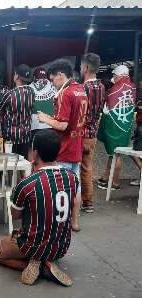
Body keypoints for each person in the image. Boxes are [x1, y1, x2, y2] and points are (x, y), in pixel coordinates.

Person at [0, 129, 76, 287]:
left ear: (35, 153)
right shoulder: (72, 177)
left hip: (33, 245)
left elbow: (15, 215)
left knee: (1, 252)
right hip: (61, 246)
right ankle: (47, 261)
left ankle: (39, 267)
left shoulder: (27, 183)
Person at [38, 60, 87, 232]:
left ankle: (58, 224)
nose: (52, 83)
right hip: (77, 144)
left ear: (60, 74)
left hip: (65, 147)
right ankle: (74, 222)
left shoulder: (65, 93)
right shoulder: (81, 89)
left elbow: (62, 125)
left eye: (53, 80)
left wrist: (45, 119)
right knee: (76, 186)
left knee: (61, 187)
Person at [97, 65, 137, 190]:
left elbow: (107, 110)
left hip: (115, 128)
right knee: (113, 154)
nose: (113, 77)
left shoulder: (114, 90)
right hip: (125, 126)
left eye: (114, 75)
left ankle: (115, 183)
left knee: (116, 154)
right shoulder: (133, 87)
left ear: (119, 75)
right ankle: (105, 178)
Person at [79, 54, 106, 213]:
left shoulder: (83, 88)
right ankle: (88, 202)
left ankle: (75, 200)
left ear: (86, 68)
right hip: (93, 133)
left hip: (81, 133)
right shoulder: (102, 86)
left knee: (76, 168)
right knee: (87, 167)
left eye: (82, 67)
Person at [0, 64, 35, 159]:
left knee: (11, 164)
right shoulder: (32, 92)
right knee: (23, 163)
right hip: (26, 135)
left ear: (17, 76)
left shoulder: (10, 94)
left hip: (11, 137)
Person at [28, 67, 56, 161]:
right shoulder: (54, 88)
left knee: (33, 150)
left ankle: (32, 172)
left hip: (35, 126)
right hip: (50, 124)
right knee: (48, 151)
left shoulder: (29, 89)